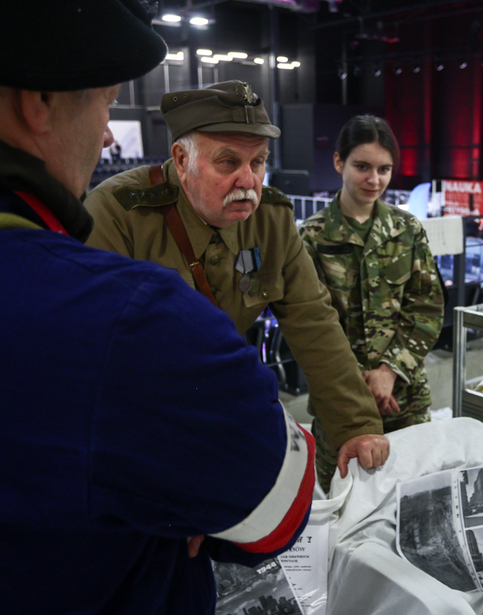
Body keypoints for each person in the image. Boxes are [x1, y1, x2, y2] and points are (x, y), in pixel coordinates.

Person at [0, 0, 314, 613]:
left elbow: (310, 315)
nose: (108, 132)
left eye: (255, 162)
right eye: (107, 101)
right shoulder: (122, 317)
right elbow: (277, 506)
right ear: (41, 100)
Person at [84, 82, 389, 493]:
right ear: (181, 159)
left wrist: (356, 425)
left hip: (219, 414)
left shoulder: (271, 219)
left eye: (258, 162)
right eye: (228, 162)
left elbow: (313, 321)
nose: (248, 180)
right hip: (137, 424)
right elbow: (92, 357)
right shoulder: (118, 214)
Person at [299, 115, 444, 475]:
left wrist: (389, 371)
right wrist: (362, 381)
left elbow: (427, 309)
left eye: (384, 169)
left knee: (416, 498)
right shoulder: (311, 238)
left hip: (405, 398)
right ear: (338, 162)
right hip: (342, 405)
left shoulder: (407, 229)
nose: (374, 180)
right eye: (362, 166)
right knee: (344, 506)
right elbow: (312, 329)